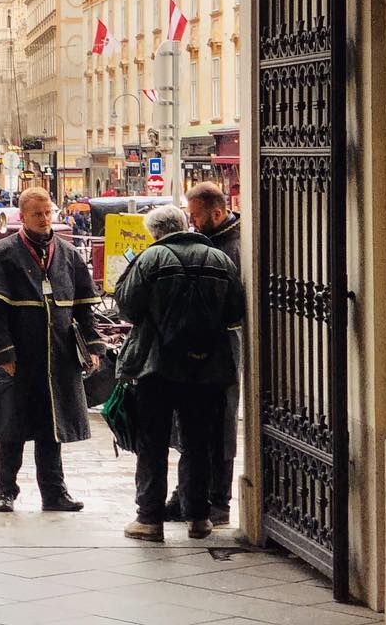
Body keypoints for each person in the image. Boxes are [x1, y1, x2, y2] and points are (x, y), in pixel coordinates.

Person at [114, 204, 245, 542]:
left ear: (155, 233)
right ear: (185, 224)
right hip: (207, 367)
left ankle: (149, 519)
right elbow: (235, 311)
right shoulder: (219, 259)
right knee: (198, 443)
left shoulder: (150, 259)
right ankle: (199, 518)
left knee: (152, 442)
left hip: (156, 366)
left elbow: (126, 306)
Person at [0, 186, 105, 513]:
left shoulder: (68, 253)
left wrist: (92, 347)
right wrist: (2, 353)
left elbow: (84, 307)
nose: (45, 219)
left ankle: (54, 494)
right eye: (37, 214)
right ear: (24, 216)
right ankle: (5, 491)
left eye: (48, 212)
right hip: (20, 358)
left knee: (52, 430)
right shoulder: (5, 252)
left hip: (58, 358)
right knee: (12, 429)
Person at [163, 182, 243, 526]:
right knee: (191, 424)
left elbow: (233, 304)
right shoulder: (209, 241)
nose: (192, 223)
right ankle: (186, 496)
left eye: (196, 216)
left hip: (222, 347)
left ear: (217, 212)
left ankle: (218, 502)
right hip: (195, 345)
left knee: (221, 423)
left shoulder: (233, 247)